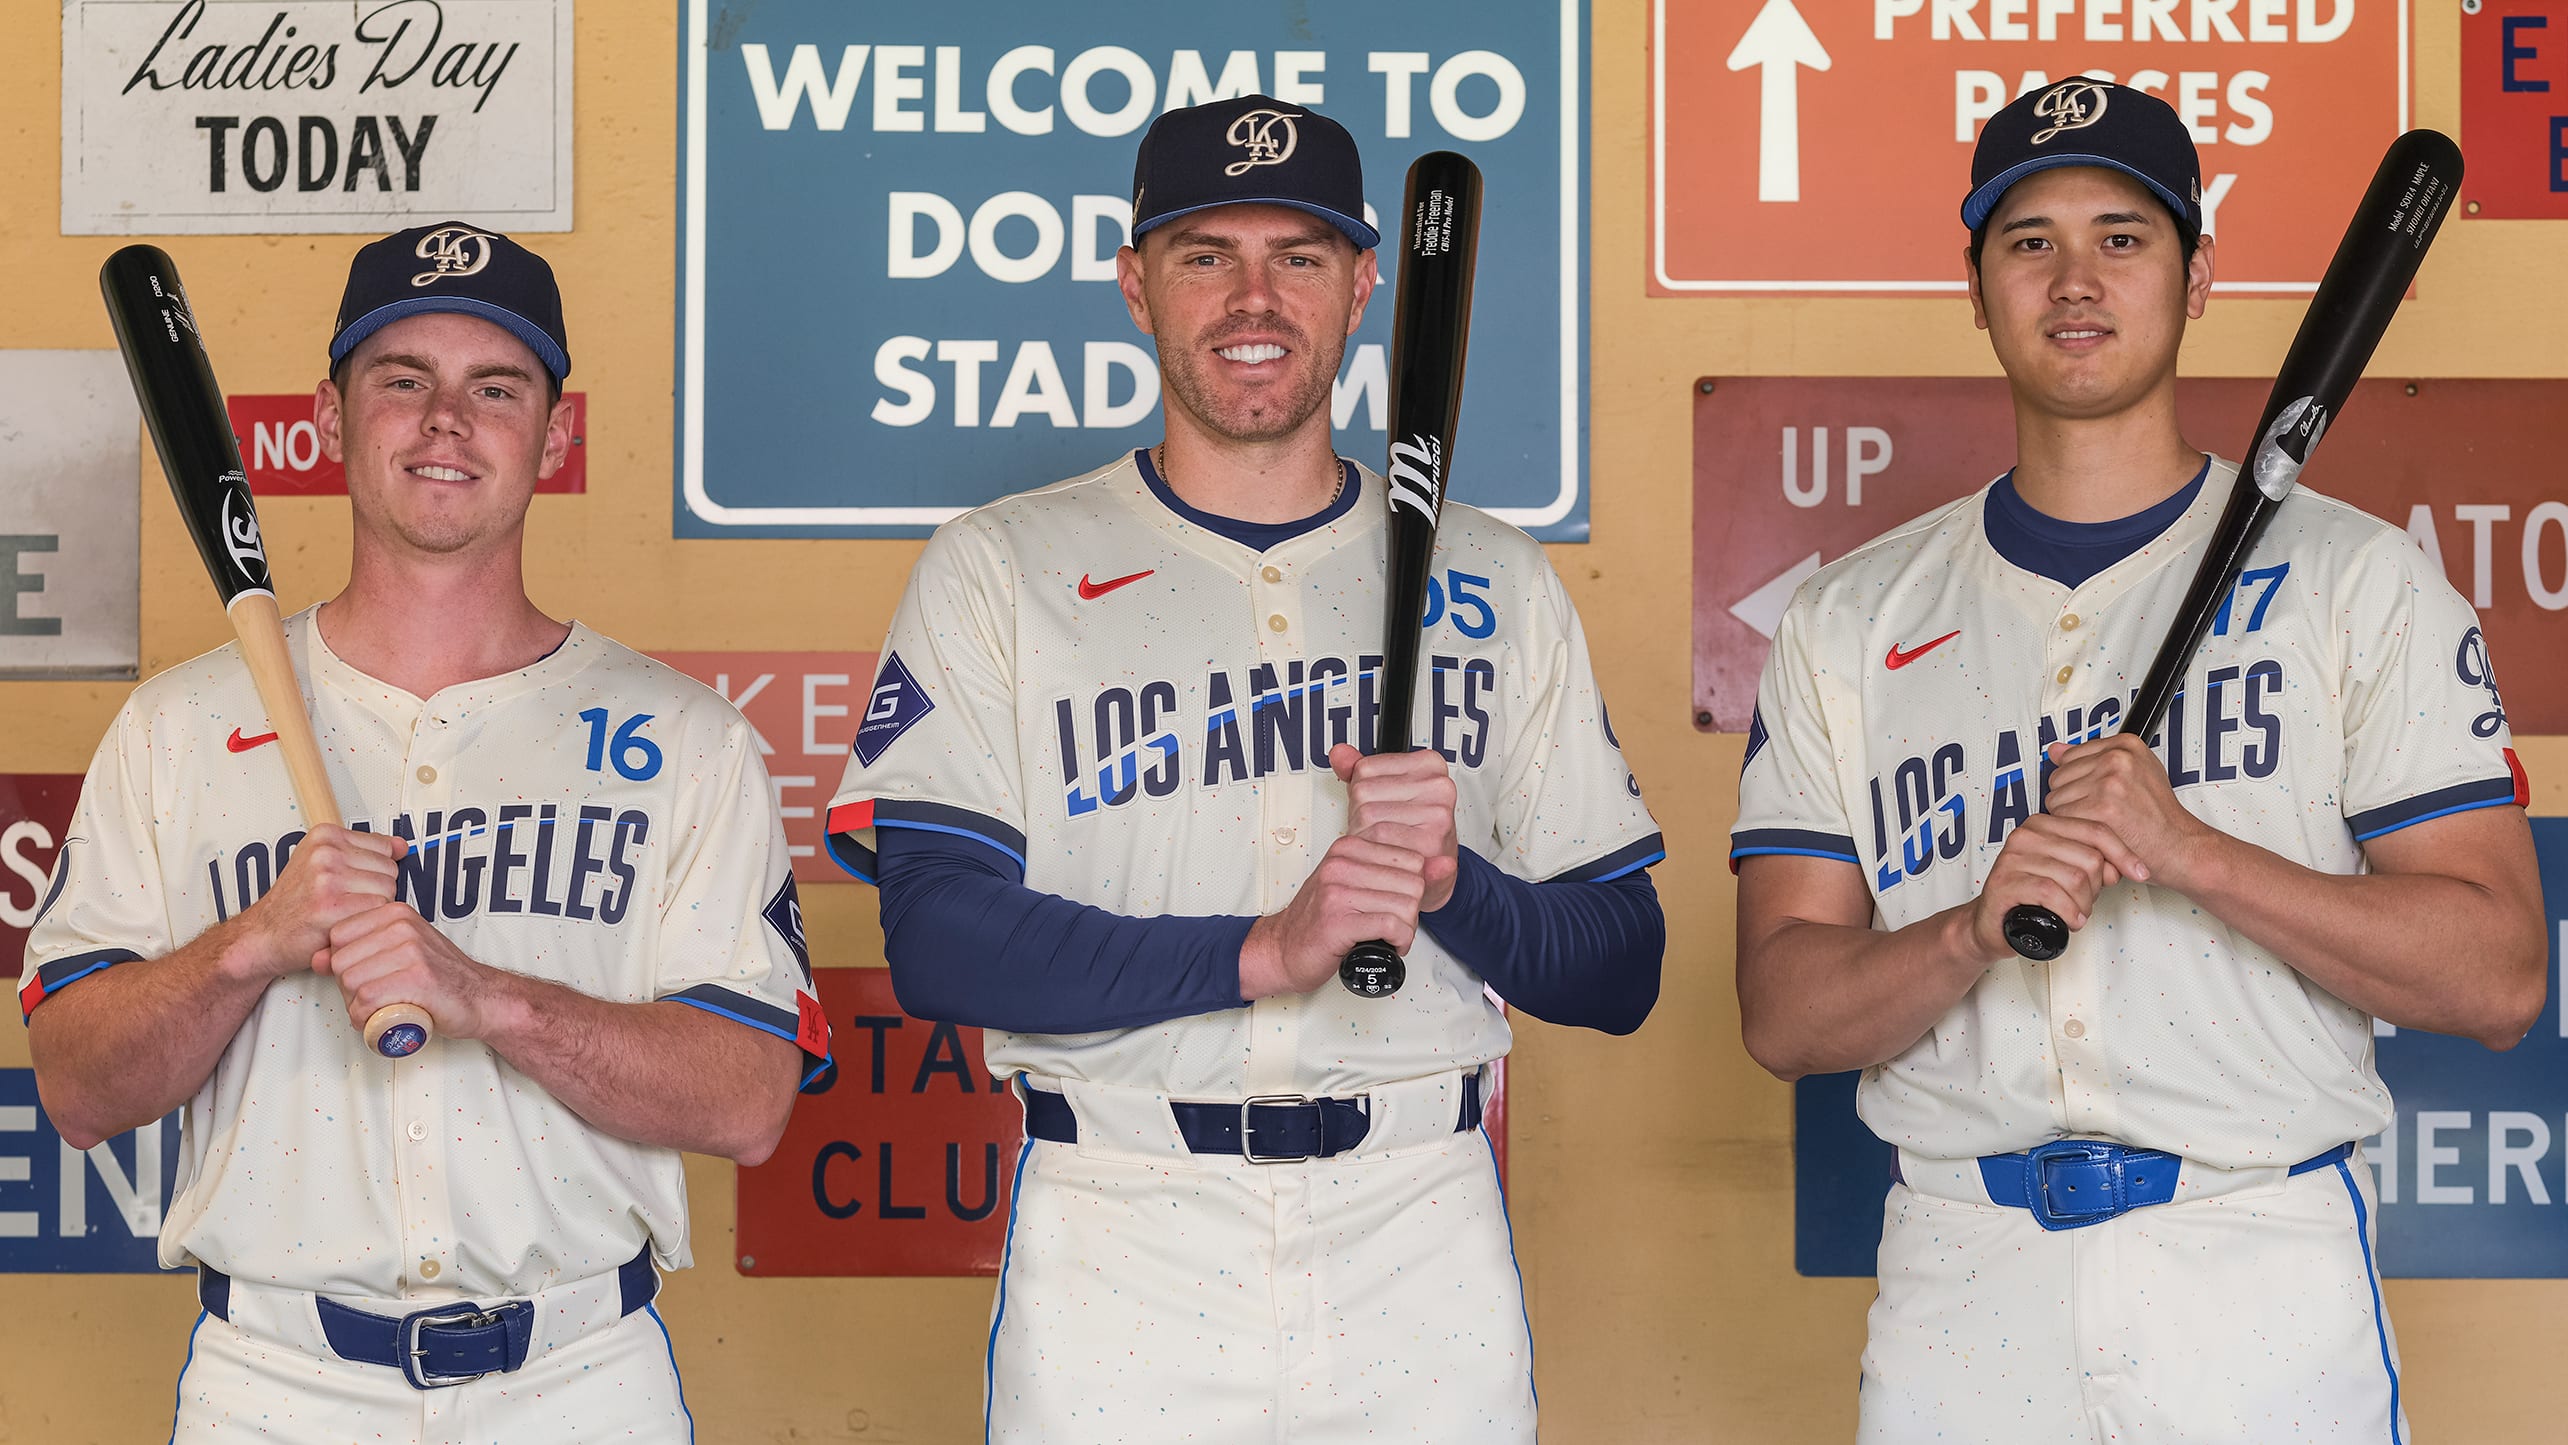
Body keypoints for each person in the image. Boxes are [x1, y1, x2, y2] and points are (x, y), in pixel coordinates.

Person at [825, 95, 1665, 1442]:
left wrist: (1453, 883)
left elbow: (1622, 966)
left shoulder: (1495, 577)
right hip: (1122, 1225)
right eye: (1206, 254)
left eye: (1300, 256)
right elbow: (938, 938)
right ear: (1135, 283)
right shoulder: (1001, 564)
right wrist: (1264, 949)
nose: (1253, 298)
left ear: (1365, 286)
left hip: (1420, 1223)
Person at [1731, 78, 2547, 1442]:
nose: (2075, 280)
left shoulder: (2357, 581)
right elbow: (1782, 1015)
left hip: (2257, 1262)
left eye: (2123, 237)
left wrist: (2191, 854)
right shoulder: (1850, 618)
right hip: (1964, 1279)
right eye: (2029, 240)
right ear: (1976, 286)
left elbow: (2503, 976)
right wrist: (1968, 933)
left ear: (2198, 275)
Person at [20, 223, 832, 1440]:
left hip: (580, 1382)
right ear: (331, 418)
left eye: (495, 388)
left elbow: (750, 1101)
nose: (446, 419)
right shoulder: (175, 729)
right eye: (403, 379)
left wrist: (486, 997)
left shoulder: (687, 739)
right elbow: (79, 1089)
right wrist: (253, 943)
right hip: (274, 1386)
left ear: (554, 437)